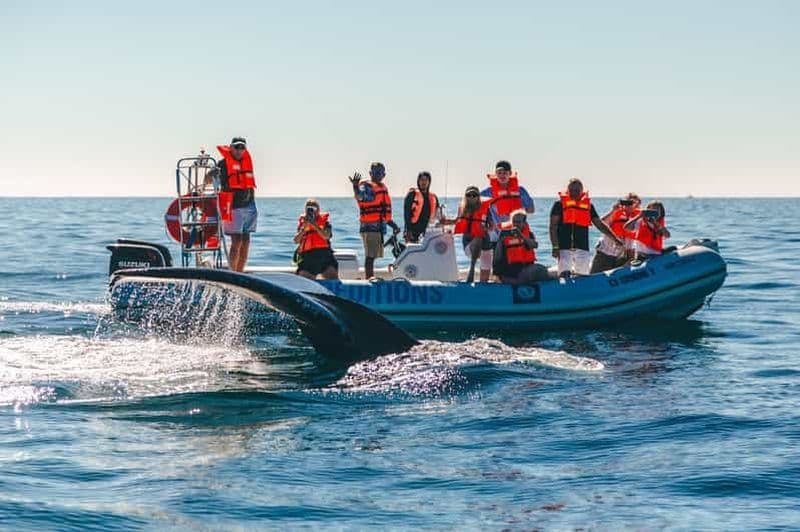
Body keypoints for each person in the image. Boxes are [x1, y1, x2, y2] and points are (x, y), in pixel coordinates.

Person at [549, 177, 623, 277]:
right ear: (567, 190)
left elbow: (599, 224)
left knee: (582, 275)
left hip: (582, 247)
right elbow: (552, 227)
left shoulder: (588, 206)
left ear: (581, 191)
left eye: (577, 190)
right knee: (564, 275)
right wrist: (555, 247)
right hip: (564, 247)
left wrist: (615, 239)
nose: (574, 192)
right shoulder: (559, 205)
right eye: (572, 190)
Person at [479, 160, 535, 282]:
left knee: (517, 261)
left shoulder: (520, 190)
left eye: (505, 173)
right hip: (496, 234)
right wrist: (487, 219)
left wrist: (517, 203)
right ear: (495, 174)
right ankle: (496, 283)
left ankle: (519, 282)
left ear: (510, 174)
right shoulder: (487, 192)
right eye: (499, 172)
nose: (502, 175)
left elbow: (531, 209)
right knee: (498, 265)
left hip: (516, 232)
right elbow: (475, 205)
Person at [349, 162, 400, 279]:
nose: (378, 175)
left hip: (378, 227)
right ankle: (369, 278)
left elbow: (384, 214)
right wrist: (355, 186)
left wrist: (393, 226)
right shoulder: (367, 186)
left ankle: (370, 276)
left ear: (384, 175)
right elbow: (360, 196)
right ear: (370, 173)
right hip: (369, 227)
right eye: (375, 172)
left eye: (380, 173)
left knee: (374, 254)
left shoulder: (382, 188)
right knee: (370, 255)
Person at [214, 137, 257, 272]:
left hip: (249, 205)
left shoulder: (246, 162)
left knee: (246, 241)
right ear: (231, 147)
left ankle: (241, 272)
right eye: (237, 147)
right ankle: (233, 272)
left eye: (242, 147)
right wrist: (211, 174)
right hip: (233, 206)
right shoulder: (222, 164)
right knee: (236, 241)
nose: (239, 150)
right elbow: (208, 180)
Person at [442, 186, 491, 283]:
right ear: (465, 197)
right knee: (478, 238)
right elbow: (457, 221)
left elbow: (492, 225)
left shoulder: (486, 208)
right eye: (469, 195)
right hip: (469, 245)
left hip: (485, 244)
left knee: (486, 268)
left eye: (474, 195)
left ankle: (483, 288)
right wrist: (444, 222)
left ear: (478, 197)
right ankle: (472, 268)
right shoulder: (463, 209)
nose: (471, 197)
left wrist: (487, 228)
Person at [493, 209, 549, 285]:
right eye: (514, 222)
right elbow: (497, 257)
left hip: (525, 271)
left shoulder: (529, 235)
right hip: (510, 274)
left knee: (542, 270)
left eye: (518, 222)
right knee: (539, 270)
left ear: (524, 223)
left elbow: (534, 245)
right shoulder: (504, 236)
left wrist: (521, 235)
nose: (516, 224)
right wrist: (497, 275)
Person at [590, 193, 641, 273]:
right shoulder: (616, 213)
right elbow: (601, 223)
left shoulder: (638, 218)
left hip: (623, 256)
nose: (629, 205)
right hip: (605, 254)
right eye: (627, 202)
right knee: (594, 277)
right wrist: (613, 211)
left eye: (632, 203)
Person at [293, 199, 339, 280]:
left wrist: (315, 225)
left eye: (314, 208)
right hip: (308, 258)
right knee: (304, 279)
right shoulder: (303, 224)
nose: (312, 211)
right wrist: (304, 229)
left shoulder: (325, 223)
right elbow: (296, 240)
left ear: (318, 210)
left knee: (332, 277)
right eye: (309, 209)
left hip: (325, 257)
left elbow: (326, 236)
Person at [403, 171, 439, 243]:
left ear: (429, 182)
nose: (424, 182)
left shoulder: (433, 197)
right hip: (412, 232)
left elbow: (438, 215)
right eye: (422, 180)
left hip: (427, 233)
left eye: (426, 180)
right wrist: (408, 230)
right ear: (418, 181)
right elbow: (406, 213)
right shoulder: (412, 194)